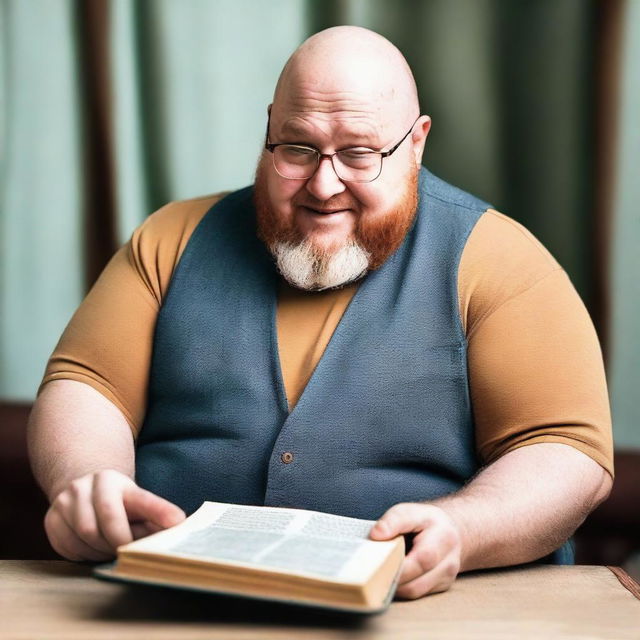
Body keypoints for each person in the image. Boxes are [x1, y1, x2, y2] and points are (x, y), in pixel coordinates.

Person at [28, 26, 613, 600]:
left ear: (416, 142)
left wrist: (464, 529)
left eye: (359, 153)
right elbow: (88, 384)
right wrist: (85, 484)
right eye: (298, 147)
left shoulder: (499, 258)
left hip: (422, 612)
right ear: (269, 131)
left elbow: (564, 450)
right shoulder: (170, 238)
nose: (324, 184)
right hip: (165, 604)